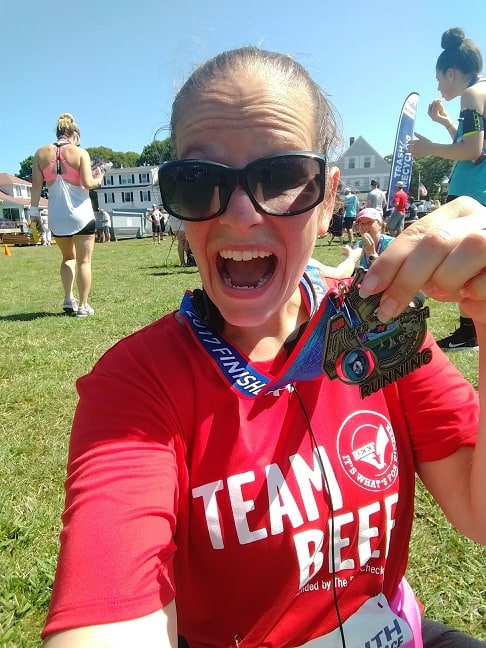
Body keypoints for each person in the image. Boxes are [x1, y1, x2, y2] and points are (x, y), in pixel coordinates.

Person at [41, 48, 486, 648]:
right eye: (199, 183)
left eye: (279, 178)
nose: (242, 213)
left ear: (329, 200)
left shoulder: (373, 323)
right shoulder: (136, 384)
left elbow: (477, 509)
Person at [408, 27, 486, 351]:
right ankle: (471, 330)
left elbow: (472, 151)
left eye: (439, 78)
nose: (438, 86)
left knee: (462, 260)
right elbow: (472, 141)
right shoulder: (479, 92)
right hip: (478, 188)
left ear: (451, 72)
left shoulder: (471, 95)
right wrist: (444, 123)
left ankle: (469, 333)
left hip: (473, 191)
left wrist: (429, 149)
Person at [30, 113, 102, 316]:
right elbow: (88, 183)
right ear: (75, 136)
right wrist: (99, 179)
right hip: (82, 215)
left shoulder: (40, 153)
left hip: (56, 217)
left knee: (67, 258)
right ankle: (83, 306)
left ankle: (68, 298)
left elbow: (36, 187)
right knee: (84, 261)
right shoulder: (80, 153)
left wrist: (34, 212)